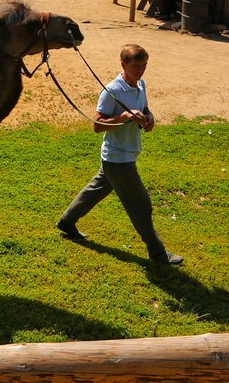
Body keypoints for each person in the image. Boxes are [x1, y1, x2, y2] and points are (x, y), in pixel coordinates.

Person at [56, 44, 183, 266]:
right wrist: (123, 117)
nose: (141, 70)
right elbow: (97, 125)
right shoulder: (111, 91)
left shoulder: (140, 84)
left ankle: (67, 222)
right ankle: (158, 254)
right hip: (118, 158)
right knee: (141, 205)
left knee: (94, 191)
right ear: (123, 64)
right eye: (136, 66)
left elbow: (145, 109)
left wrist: (149, 118)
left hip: (123, 155)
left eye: (144, 65)